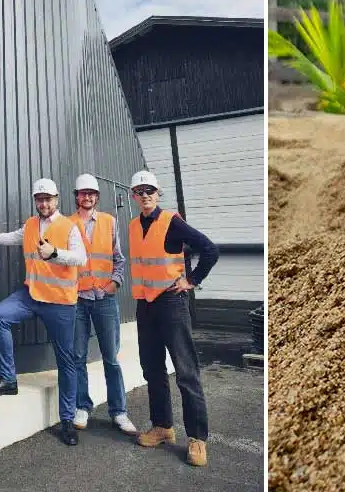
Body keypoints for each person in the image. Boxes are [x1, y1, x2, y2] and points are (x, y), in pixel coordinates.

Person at [0, 178, 86, 447]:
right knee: (0, 315)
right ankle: (8, 380)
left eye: (48, 199)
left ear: (57, 199)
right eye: (40, 199)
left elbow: (81, 258)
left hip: (60, 302)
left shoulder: (69, 226)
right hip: (32, 295)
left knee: (66, 360)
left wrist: (55, 253)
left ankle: (68, 420)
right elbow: (14, 237)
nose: (44, 203)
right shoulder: (30, 224)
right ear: (35, 200)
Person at [127, 170, 220, 468]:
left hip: (171, 303)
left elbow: (209, 250)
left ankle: (197, 438)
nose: (145, 195)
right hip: (146, 305)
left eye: (150, 190)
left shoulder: (171, 222)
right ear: (133, 195)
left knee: (185, 371)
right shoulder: (132, 226)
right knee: (152, 368)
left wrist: (190, 280)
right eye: (140, 191)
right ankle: (163, 427)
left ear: (158, 193)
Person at [67, 173, 137, 435]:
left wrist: (114, 285)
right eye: (83, 193)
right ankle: (82, 407)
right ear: (77, 196)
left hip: (105, 300)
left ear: (97, 197)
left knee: (111, 358)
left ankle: (119, 412)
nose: (87, 197)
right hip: (77, 301)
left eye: (91, 193)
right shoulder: (67, 224)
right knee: (77, 357)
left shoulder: (109, 222)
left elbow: (119, 259)